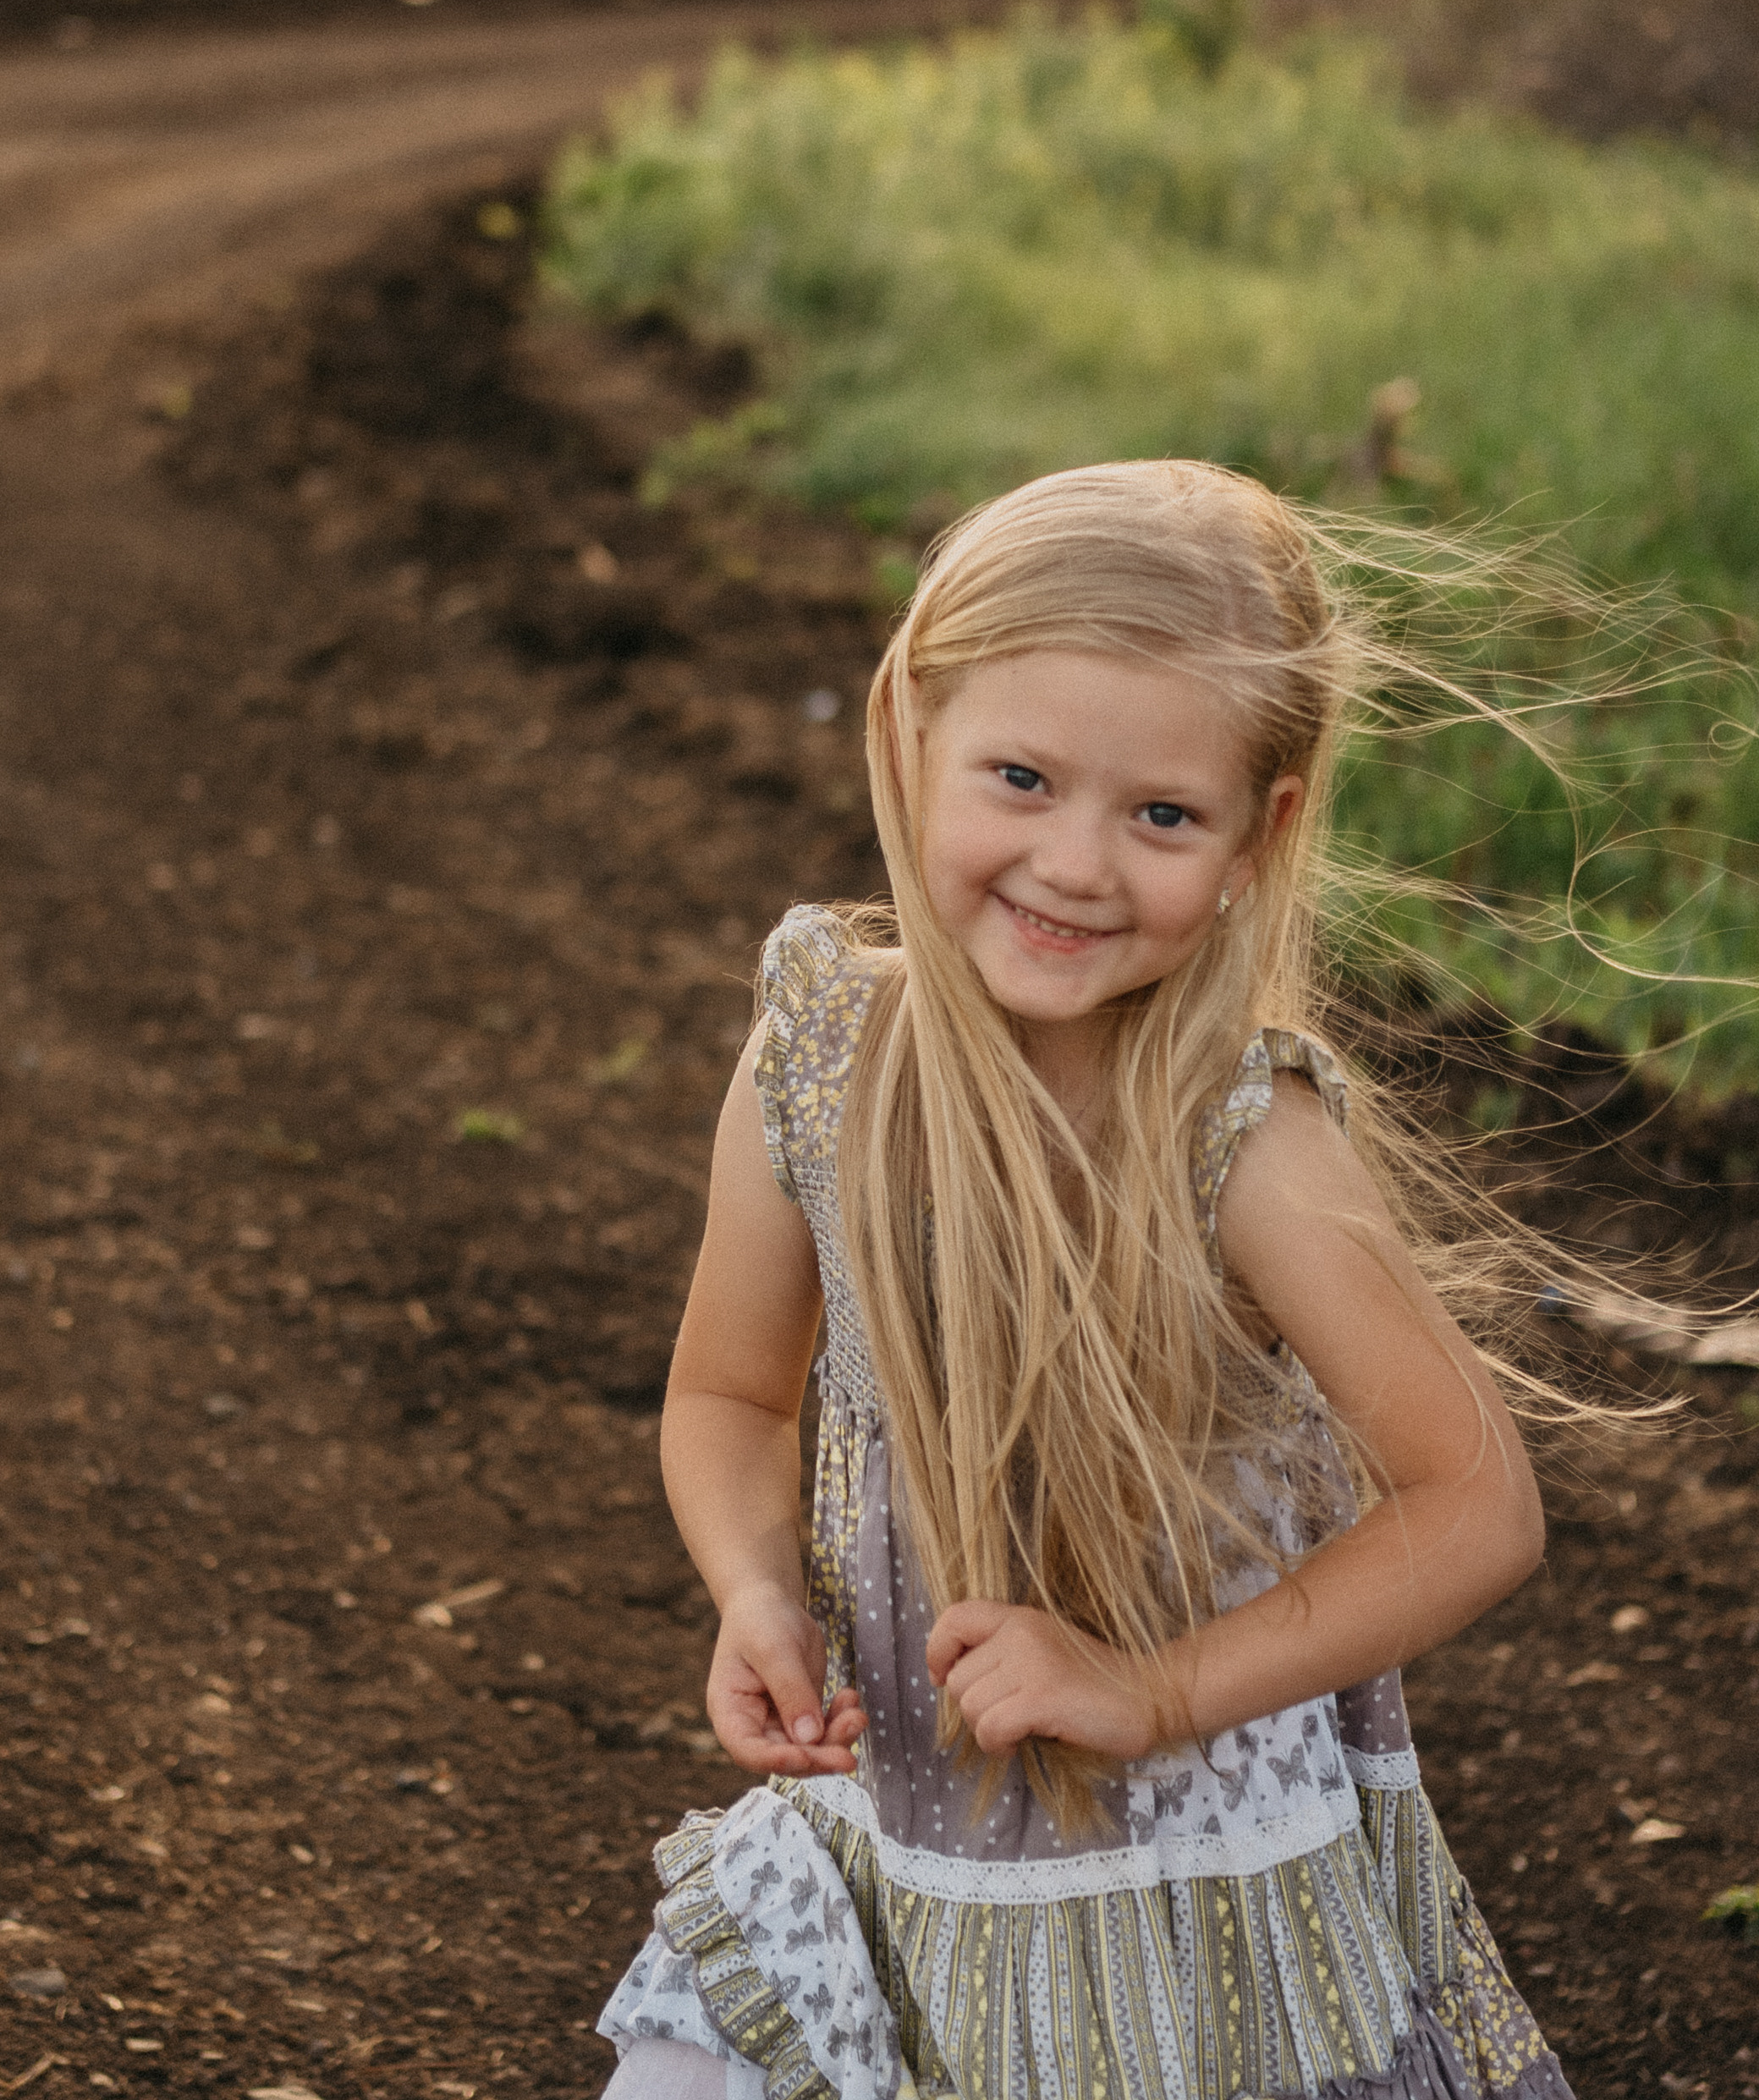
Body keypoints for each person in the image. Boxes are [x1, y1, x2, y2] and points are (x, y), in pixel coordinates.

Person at [598, 459, 1589, 2100]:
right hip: (891, 1826)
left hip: (1173, 1900)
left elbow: (1474, 1504)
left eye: (1157, 817)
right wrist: (756, 1587)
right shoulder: (822, 1061)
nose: (1073, 863)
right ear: (909, 734)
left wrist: (1149, 1689)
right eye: (1017, 776)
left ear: (1256, 834)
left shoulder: (1238, 1150)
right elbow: (724, 1394)